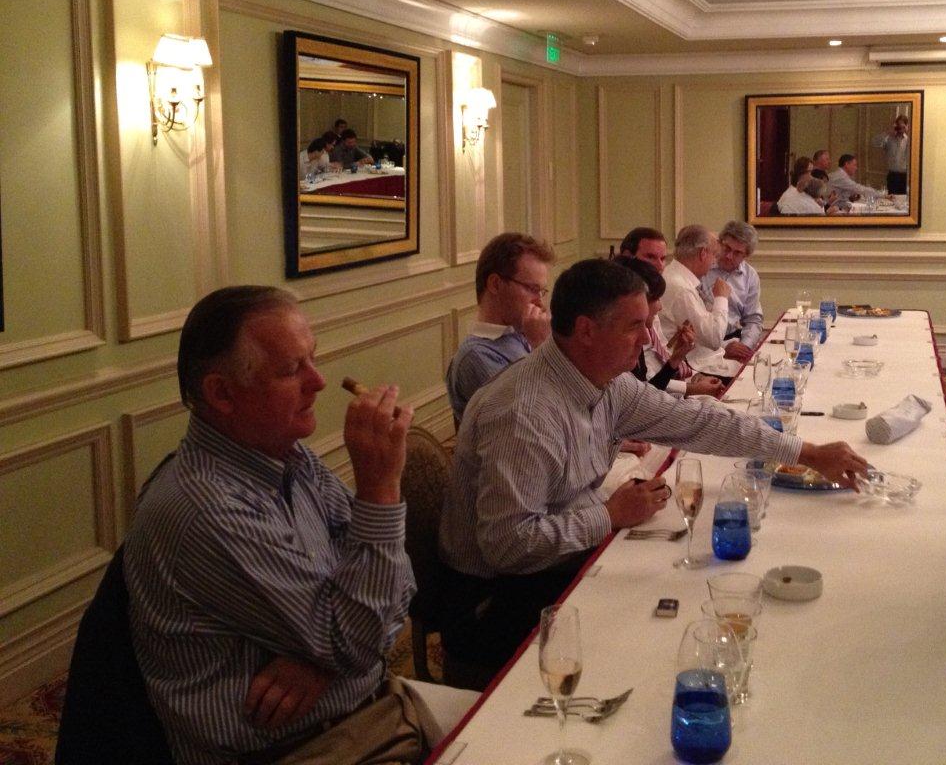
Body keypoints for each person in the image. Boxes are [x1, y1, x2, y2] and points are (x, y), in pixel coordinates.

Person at [436, 259, 870, 681]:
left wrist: (806, 452)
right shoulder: (523, 413)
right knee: (676, 636)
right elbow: (508, 545)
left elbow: (699, 422)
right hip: (496, 603)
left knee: (693, 591)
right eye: (635, 326)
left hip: (552, 566)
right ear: (586, 330)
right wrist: (608, 515)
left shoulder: (604, 381)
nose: (647, 338)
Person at [123, 286, 475, 765]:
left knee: (530, 723)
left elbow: (398, 585)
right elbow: (360, 630)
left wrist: (323, 660)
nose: (319, 381)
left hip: (369, 710)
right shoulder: (208, 509)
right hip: (297, 749)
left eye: (313, 359)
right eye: (292, 369)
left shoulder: (290, 459)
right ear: (222, 393)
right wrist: (379, 489)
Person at [446, 233, 554, 426]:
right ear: (495, 284)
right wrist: (542, 347)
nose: (540, 303)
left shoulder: (519, 333)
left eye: (542, 292)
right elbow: (530, 422)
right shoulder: (476, 357)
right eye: (532, 289)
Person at [614, 255, 719, 398]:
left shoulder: (647, 324)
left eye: (662, 258)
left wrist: (676, 358)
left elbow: (645, 393)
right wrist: (691, 389)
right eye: (650, 257)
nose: (660, 307)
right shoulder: (621, 346)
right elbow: (643, 396)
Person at [659, 224, 732, 353]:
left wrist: (726, 346)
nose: (714, 262)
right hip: (695, 362)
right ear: (703, 253)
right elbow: (714, 339)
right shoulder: (681, 289)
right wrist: (721, 298)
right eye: (714, 255)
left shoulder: (675, 275)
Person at [703, 220, 764, 362]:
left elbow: (753, 319)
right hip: (703, 343)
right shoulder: (703, 267)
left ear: (746, 255)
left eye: (737, 253)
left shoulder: (750, 276)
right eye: (727, 248)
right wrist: (723, 348)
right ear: (719, 243)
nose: (729, 256)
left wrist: (744, 346)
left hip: (734, 339)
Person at [874, 115, 911, 194]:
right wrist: (887, 132)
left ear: (906, 126)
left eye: (902, 126)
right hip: (892, 175)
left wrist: (909, 132)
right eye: (898, 126)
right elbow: (875, 143)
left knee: (904, 198)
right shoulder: (889, 139)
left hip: (905, 175)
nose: (900, 129)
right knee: (891, 198)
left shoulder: (909, 140)